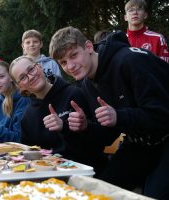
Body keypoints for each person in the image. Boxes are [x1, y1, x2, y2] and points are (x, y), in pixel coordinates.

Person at [49, 26, 169, 199]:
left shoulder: (130, 60)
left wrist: (119, 116)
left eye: (73, 55)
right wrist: (85, 127)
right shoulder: (87, 85)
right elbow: (107, 135)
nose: (71, 66)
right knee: (101, 192)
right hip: (139, 143)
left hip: (165, 135)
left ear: (89, 47)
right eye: (63, 62)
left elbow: (162, 115)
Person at [10, 56, 119, 175]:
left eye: (31, 69)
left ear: (40, 67)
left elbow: (101, 141)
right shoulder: (27, 117)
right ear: (19, 86)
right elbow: (30, 156)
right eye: (22, 77)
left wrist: (68, 127)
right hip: (50, 178)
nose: (30, 77)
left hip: (86, 173)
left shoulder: (74, 94)